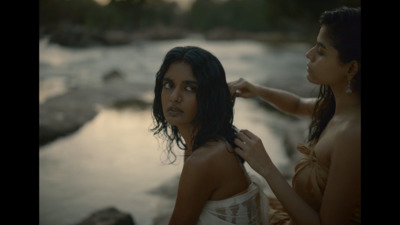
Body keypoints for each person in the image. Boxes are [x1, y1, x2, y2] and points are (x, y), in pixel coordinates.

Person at [228, 6, 361, 225]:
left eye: (321, 51)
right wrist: (258, 90)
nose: (308, 54)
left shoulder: (353, 136)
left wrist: (266, 168)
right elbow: (298, 105)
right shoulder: (336, 108)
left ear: (351, 68)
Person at [151, 46, 269, 225]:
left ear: (210, 97)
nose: (174, 97)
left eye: (190, 88)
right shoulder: (210, 142)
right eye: (168, 85)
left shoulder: (204, 159)